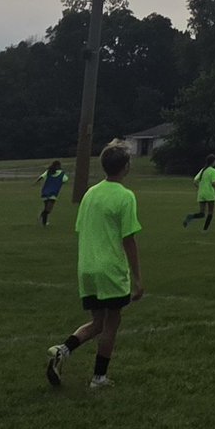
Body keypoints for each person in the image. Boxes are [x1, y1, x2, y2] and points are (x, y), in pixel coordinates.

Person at [45, 142, 143, 390]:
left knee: (97, 322)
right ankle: (99, 378)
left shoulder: (90, 194)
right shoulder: (125, 196)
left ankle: (63, 350)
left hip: (87, 268)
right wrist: (137, 277)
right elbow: (128, 238)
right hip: (110, 269)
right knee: (111, 324)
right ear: (126, 167)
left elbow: (81, 228)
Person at [182, 154, 215, 231]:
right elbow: (213, 183)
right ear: (213, 162)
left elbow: (195, 181)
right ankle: (205, 230)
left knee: (202, 214)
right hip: (209, 193)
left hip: (201, 194)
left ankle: (190, 216)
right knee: (210, 212)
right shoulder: (214, 171)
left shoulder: (203, 170)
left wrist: (200, 188)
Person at [34, 160, 69, 226]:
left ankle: (44, 223)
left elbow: (41, 177)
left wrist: (36, 182)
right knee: (49, 209)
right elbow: (65, 180)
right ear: (58, 166)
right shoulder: (61, 173)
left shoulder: (48, 172)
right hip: (53, 193)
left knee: (47, 207)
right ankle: (41, 215)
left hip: (45, 192)